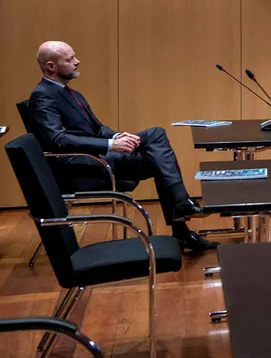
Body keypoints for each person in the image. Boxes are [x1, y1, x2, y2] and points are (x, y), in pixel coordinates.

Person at [27, 41, 217, 253]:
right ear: (51, 66)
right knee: (160, 162)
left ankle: (182, 207)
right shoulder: (42, 95)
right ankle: (182, 222)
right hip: (81, 167)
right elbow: (57, 139)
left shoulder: (71, 93)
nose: (77, 61)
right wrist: (111, 145)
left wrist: (118, 135)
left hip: (96, 158)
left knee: (156, 136)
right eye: (70, 59)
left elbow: (98, 128)